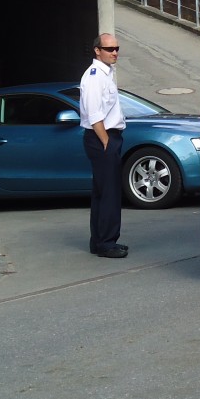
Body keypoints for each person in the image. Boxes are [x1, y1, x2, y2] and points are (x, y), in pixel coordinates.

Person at [79, 33, 128, 259]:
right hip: (102, 137)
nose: (114, 52)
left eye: (116, 48)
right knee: (109, 193)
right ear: (97, 51)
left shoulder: (106, 73)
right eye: (109, 49)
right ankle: (107, 243)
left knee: (102, 192)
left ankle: (99, 241)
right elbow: (94, 113)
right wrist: (106, 141)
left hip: (106, 136)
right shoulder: (94, 76)